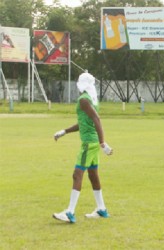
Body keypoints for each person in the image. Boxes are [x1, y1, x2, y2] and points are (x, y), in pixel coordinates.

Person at [52, 72, 113, 223]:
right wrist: (64, 131)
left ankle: (70, 212)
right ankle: (102, 209)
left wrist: (103, 143)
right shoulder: (91, 100)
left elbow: (96, 119)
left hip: (88, 144)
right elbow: (85, 123)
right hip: (92, 143)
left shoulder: (83, 100)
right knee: (93, 175)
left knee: (77, 174)